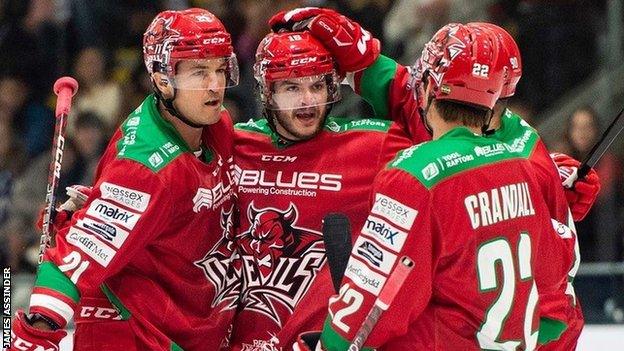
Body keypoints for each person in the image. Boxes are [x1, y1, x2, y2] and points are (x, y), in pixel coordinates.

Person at [296, 23, 574, 350]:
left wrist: (330, 345)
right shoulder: (519, 163)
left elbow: (374, 292)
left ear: (428, 87)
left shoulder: (414, 174)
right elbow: (554, 301)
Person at [9, 8, 240, 351]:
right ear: (163, 79)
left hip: (183, 317)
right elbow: (74, 259)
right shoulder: (147, 169)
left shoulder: (204, 122)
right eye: (199, 72)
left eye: (221, 69)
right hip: (135, 334)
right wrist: (38, 332)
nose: (215, 84)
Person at [212, 27, 426, 349]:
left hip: (321, 342)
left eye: (317, 86)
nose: (308, 100)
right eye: (292, 87)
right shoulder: (233, 142)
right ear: (267, 92)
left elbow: (442, 132)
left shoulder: (372, 145)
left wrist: (368, 58)